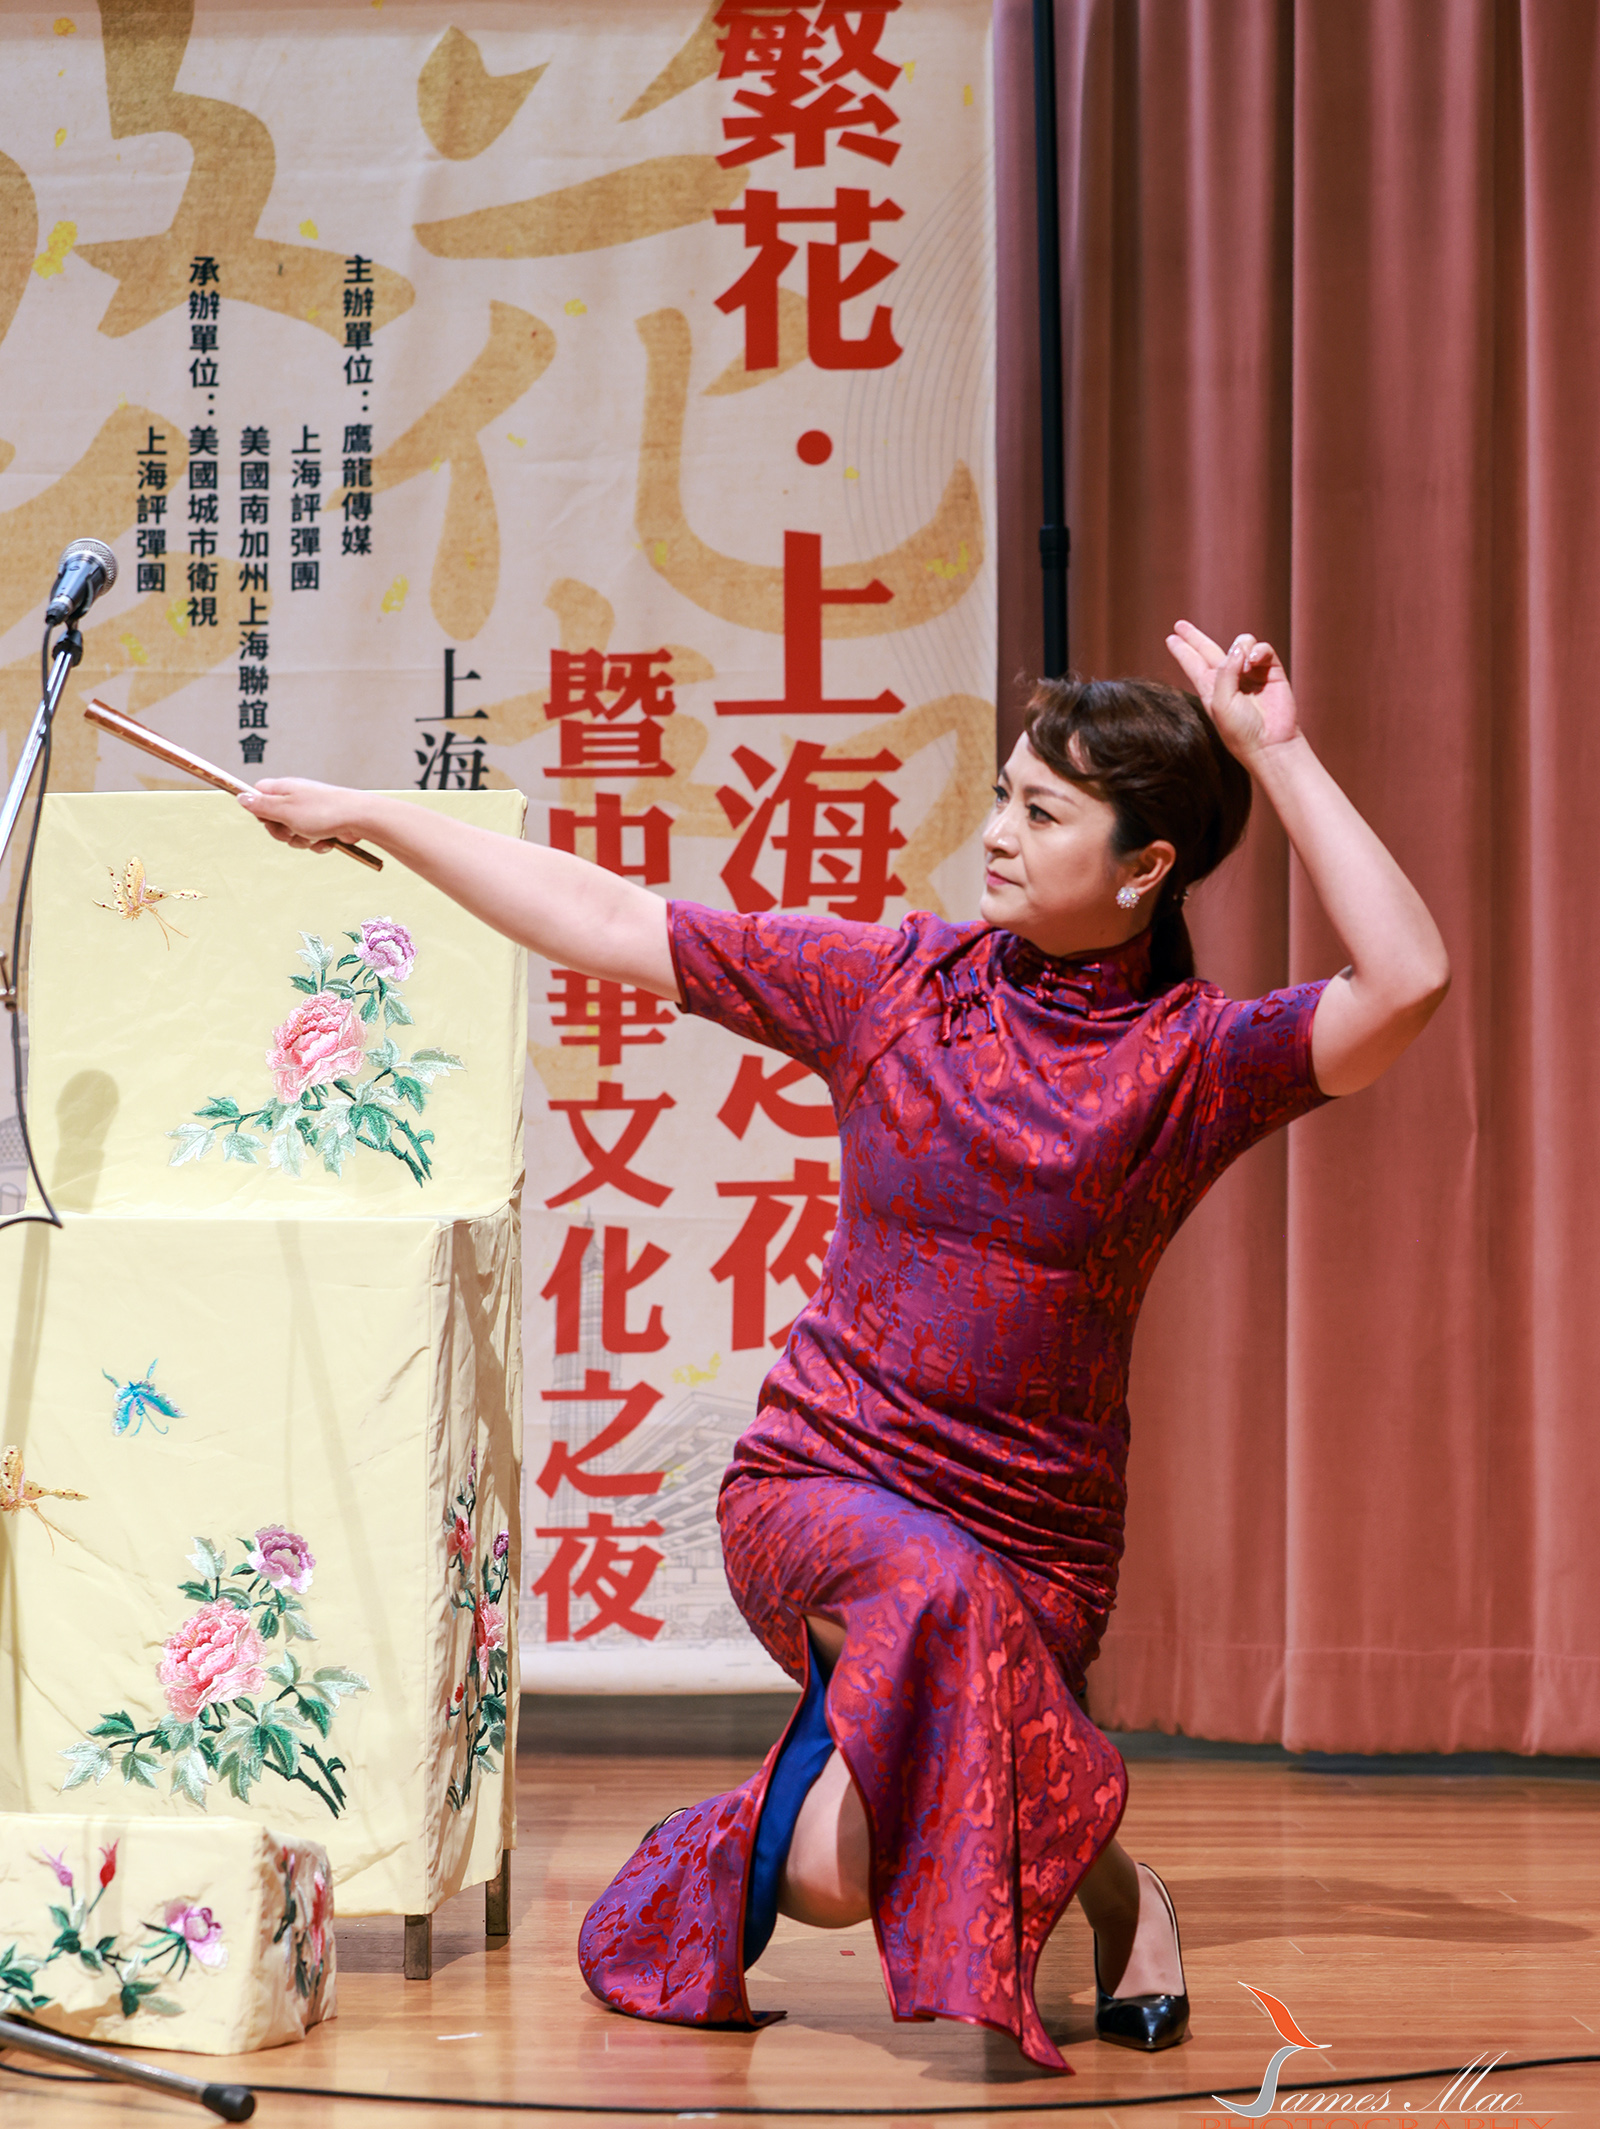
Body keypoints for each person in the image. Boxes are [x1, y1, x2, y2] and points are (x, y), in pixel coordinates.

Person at [239, 622, 1449, 2073]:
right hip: (821, 1486)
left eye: (1041, 811)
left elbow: (1407, 981)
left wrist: (1278, 751)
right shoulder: (896, 987)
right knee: (922, 1612)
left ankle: (1106, 1874)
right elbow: (612, 917)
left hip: (1036, 1544)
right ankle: (1096, 1851)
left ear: (1145, 869)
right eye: (1001, 795)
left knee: (830, 1872)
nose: (995, 833)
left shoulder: (1189, 1064)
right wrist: (377, 816)